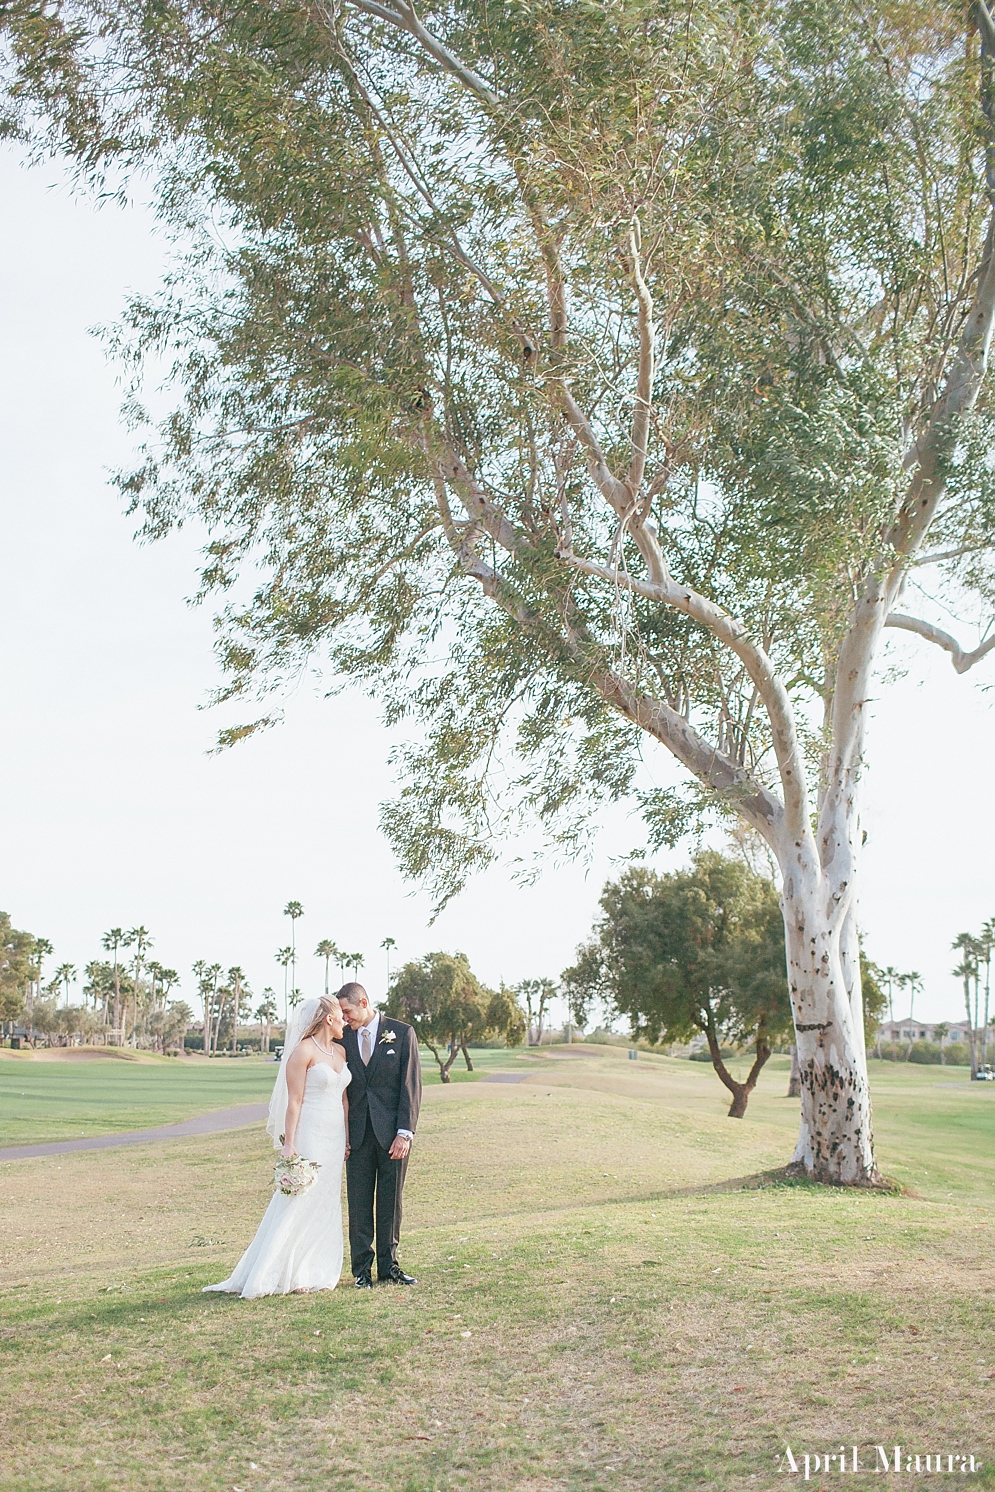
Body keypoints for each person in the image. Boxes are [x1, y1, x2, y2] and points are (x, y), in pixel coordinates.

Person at [204, 995, 351, 1298]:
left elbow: (344, 1099)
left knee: (325, 1200)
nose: (345, 1021)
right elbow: (294, 1101)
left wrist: (347, 1136)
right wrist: (290, 1144)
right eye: (341, 1016)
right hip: (310, 1132)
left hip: (335, 1136)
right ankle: (289, 1272)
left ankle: (315, 1268)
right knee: (300, 1199)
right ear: (328, 1019)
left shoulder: (341, 1051)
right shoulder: (303, 1052)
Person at [337, 982, 421, 1288]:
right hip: (356, 1137)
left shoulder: (402, 1033)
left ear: (363, 1002)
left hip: (393, 1137)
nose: (345, 1018)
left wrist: (405, 1133)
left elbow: (410, 1087)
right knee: (359, 1205)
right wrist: (340, 1134)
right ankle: (362, 1272)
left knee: (390, 1202)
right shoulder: (342, 1037)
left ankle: (390, 1267)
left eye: (347, 1011)